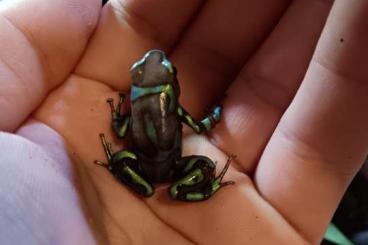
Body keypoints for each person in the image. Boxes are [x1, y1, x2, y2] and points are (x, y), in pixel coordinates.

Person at [0, 0, 366, 244]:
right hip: (174, 168)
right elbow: (202, 126)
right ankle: (201, 188)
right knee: (206, 165)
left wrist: (116, 130)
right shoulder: (175, 110)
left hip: (142, 166)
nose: (151, 60)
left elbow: (121, 131)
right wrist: (217, 115)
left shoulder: (133, 108)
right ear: (172, 88)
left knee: (126, 159)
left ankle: (135, 174)